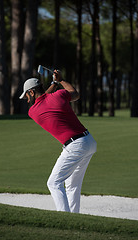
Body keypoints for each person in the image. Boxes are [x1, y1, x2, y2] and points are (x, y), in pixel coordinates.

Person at [19, 70, 97, 213]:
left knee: (54, 183)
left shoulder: (33, 111)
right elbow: (74, 93)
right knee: (72, 184)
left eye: (26, 96)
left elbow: (42, 98)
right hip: (89, 141)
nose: (26, 100)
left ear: (31, 92)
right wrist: (60, 81)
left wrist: (54, 84)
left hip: (75, 145)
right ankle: (73, 217)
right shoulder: (59, 95)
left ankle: (65, 218)